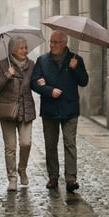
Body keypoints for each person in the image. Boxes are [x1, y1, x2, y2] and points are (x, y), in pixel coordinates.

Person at [31, 31, 89, 192]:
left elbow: (84, 81)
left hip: (70, 108)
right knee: (50, 145)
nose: (52, 45)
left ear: (64, 43)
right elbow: (34, 82)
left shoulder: (76, 60)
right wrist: (49, 91)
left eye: (56, 42)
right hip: (49, 108)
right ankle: (53, 176)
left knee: (70, 143)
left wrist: (76, 69)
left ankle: (71, 179)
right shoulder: (42, 60)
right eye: (51, 42)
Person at [0, 36, 36, 192]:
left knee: (26, 143)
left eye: (26, 47)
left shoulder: (31, 65)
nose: (25, 50)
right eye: (22, 48)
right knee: (10, 147)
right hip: (8, 111)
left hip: (26, 109)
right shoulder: (3, 65)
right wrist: (7, 75)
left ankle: (22, 168)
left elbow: (35, 83)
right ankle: (13, 178)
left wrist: (42, 83)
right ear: (13, 50)